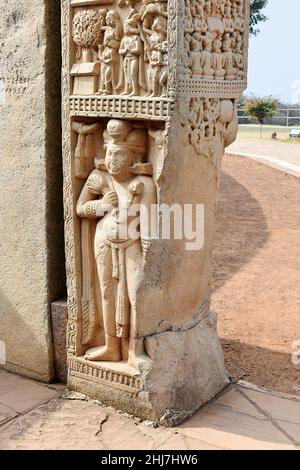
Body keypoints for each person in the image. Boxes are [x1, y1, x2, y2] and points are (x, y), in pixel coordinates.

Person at [76, 120, 157, 369]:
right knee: (106, 294)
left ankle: (135, 349)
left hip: (132, 244)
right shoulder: (99, 178)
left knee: (137, 295)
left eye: (120, 155)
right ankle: (112, 346)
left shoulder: (143, 185)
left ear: (133, 156)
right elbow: (80, 208)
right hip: (103, 240)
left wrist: (148, 251)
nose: (113, 160)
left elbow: (149, 223)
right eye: (110, 154)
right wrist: (100, 206)